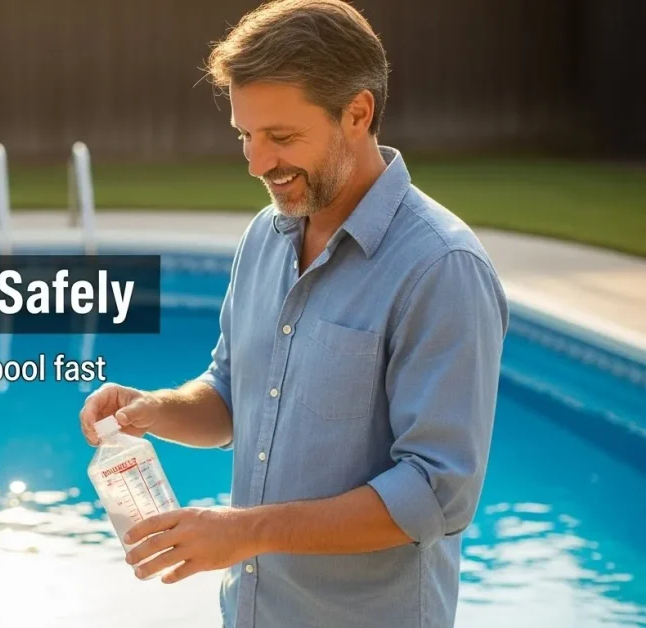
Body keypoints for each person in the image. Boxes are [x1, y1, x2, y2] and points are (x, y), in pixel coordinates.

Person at [77, 1, 510, 627]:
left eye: (281, 137)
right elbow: (232, 393)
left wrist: (246, 532)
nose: (256, 164)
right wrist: (156, 409)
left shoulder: (441, 268)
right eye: (245, 137)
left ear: (357, 113)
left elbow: (435, 495)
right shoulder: (265, 237)